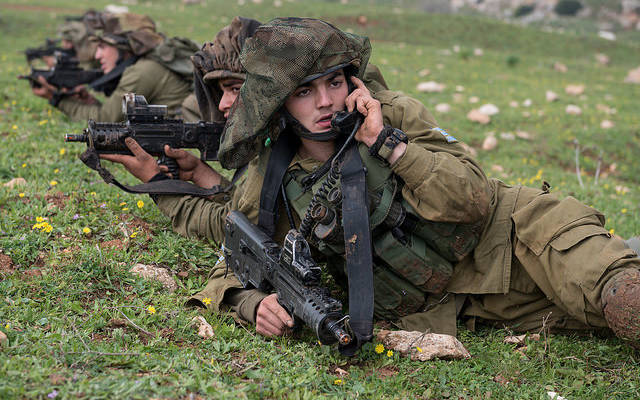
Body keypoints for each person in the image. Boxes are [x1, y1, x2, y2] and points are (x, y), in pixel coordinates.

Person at [113, 18, 640, 349]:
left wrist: (388, 142)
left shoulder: (393, 115)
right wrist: (251, 304)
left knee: (625, 302)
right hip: (472, 303)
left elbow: (474, 199)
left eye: (335, 82)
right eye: (304, 91)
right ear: (276, 101)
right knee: (601, 320)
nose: (326, 102)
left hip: (524, 238)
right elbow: (231, 249)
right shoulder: (270, 177)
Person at [31, 12, 192, 122]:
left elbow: (105, 121)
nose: (97, 55)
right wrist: (90, 101)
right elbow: (115, 116)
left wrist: (56, 99)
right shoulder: (149, 65)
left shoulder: (141, 72)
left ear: (126, 48)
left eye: (102, 46)